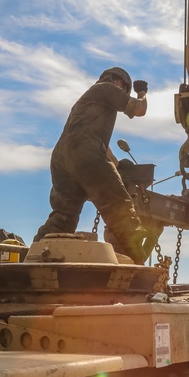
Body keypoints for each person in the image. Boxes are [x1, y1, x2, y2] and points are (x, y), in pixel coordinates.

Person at [33, 67, 149, 263]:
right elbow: (139, 109)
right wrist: (142, 93)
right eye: (124, 89)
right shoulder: (106, 88)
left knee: (63, 216)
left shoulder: (88, 101)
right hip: (85, 151)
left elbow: (100, 147)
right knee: (117, 205)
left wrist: (118, 165)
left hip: (62, 156)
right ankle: (135, 259)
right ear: (119, 83)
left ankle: (34, 256)